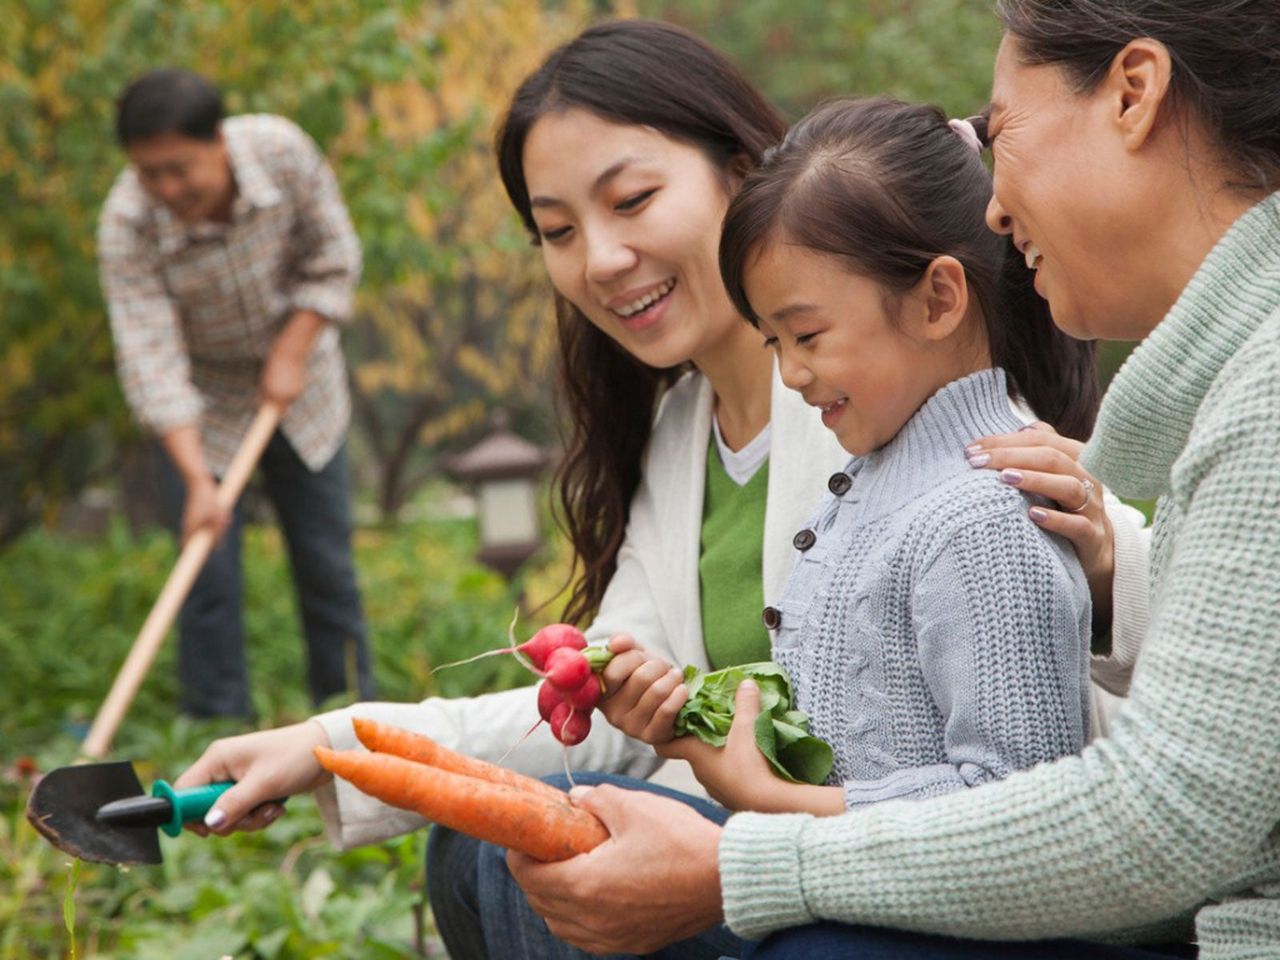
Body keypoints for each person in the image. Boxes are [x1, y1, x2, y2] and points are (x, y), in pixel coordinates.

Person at [176, 18, 1145, 960]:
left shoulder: (874, 392)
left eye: (631, 200)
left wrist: (1105, 554)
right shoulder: (685, 431)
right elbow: (591, 699)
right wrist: (337, 742)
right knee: (485, 848)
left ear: (743, 171)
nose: (598, 259)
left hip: (938, 887)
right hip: (806, 858)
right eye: (556, 231)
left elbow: (1062, 706)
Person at [507, 2, 1280, 958]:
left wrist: (757, 850)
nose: (995, 206)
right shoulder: (1228, 390)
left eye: (1001, 132)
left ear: (1134, 94)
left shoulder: (1249, 398)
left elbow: (1155, 812)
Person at [614, 95, 1099, 821]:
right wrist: (696, 726)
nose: (790, 374)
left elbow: (1023, 804)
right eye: (772, 342)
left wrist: (787, 805)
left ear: (937, 299)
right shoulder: (869, 489)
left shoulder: (981, 517)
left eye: (806, 335)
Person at [99, 68, 374, 717]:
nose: (166, 188)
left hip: (301, 384)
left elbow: (334, 255)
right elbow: (150, 356)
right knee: (205, 576)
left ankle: (351, 719)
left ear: (218, 140)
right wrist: (197, 479)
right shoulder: (127, 224)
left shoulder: (283, 153)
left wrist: (292, 347)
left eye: (179, 168)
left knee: (326, 563)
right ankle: (214, 731)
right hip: (204, 405)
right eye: (148, 172)